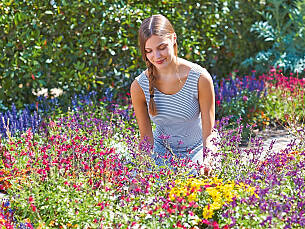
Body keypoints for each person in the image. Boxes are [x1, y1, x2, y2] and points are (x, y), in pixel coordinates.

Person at [130, 14, 218, 174]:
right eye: (149, 51)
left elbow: (209, 134)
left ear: (174, 39)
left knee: (195, 181)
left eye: (162, 47)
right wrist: (141, 169)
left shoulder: (200, 78)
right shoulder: (139, 86)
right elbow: (146, 139)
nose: (156, 57)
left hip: (198, 148)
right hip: (161, 151)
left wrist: (209, 158)